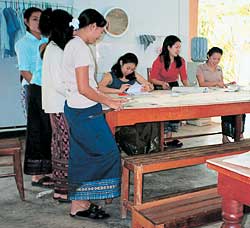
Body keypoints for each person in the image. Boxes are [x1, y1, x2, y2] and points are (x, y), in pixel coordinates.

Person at [62, 8, 124, 219]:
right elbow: (84, 88)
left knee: (84, 156)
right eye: (100, 32)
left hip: (78, 108)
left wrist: (108, 97)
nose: (100, 36)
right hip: (84, 109)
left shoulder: (73, 44)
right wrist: (109, 102)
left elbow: (87, 85)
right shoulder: (79, 48)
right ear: (91, 27)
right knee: (108, 154)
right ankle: (81, 202)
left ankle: (80, 203)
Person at [39, 8, 74, 202]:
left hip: (59, 104)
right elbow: (60, 84)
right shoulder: (54, 50)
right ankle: (62, 190)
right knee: (64, 145)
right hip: (60, 105)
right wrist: (79, 93)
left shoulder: (55, 48)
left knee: (60, 144)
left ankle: (62, 186)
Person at [15, 7, 53, 187]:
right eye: (35, 19)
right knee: (36, 131)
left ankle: (47, 170)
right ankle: (36, 175)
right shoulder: (23, 43)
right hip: (33, 89)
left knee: (49, 131)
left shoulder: (47, 40)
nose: (38, 23)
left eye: (41, 19)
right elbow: (25, 71)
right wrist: (39, 88)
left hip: (48, 90)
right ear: (26, 21)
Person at [196, 46, 245, 143]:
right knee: (226, 109)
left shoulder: (219, 68)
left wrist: (229, 84)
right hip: (207, 96)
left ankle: (239, 133)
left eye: (218, 59)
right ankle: (225, 136)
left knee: (239, 107)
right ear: (208, 56)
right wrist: (216, 83)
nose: (216, 61)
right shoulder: (201, 68)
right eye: (214, 58)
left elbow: (221, 84)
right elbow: (202, 84)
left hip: (220, 95)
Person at [149, 35, 189, 148]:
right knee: (164, 112)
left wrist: (190, 90)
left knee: (175, 111)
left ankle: (169, 137)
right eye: (176, 47)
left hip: (173, 87)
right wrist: (161, 83)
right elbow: (152, 79)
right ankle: (162, 138)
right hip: (160, 87)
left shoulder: (181, 61)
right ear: (168, 47)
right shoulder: (159, 60)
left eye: (179, 47)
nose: (178, 50)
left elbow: (184, 78)